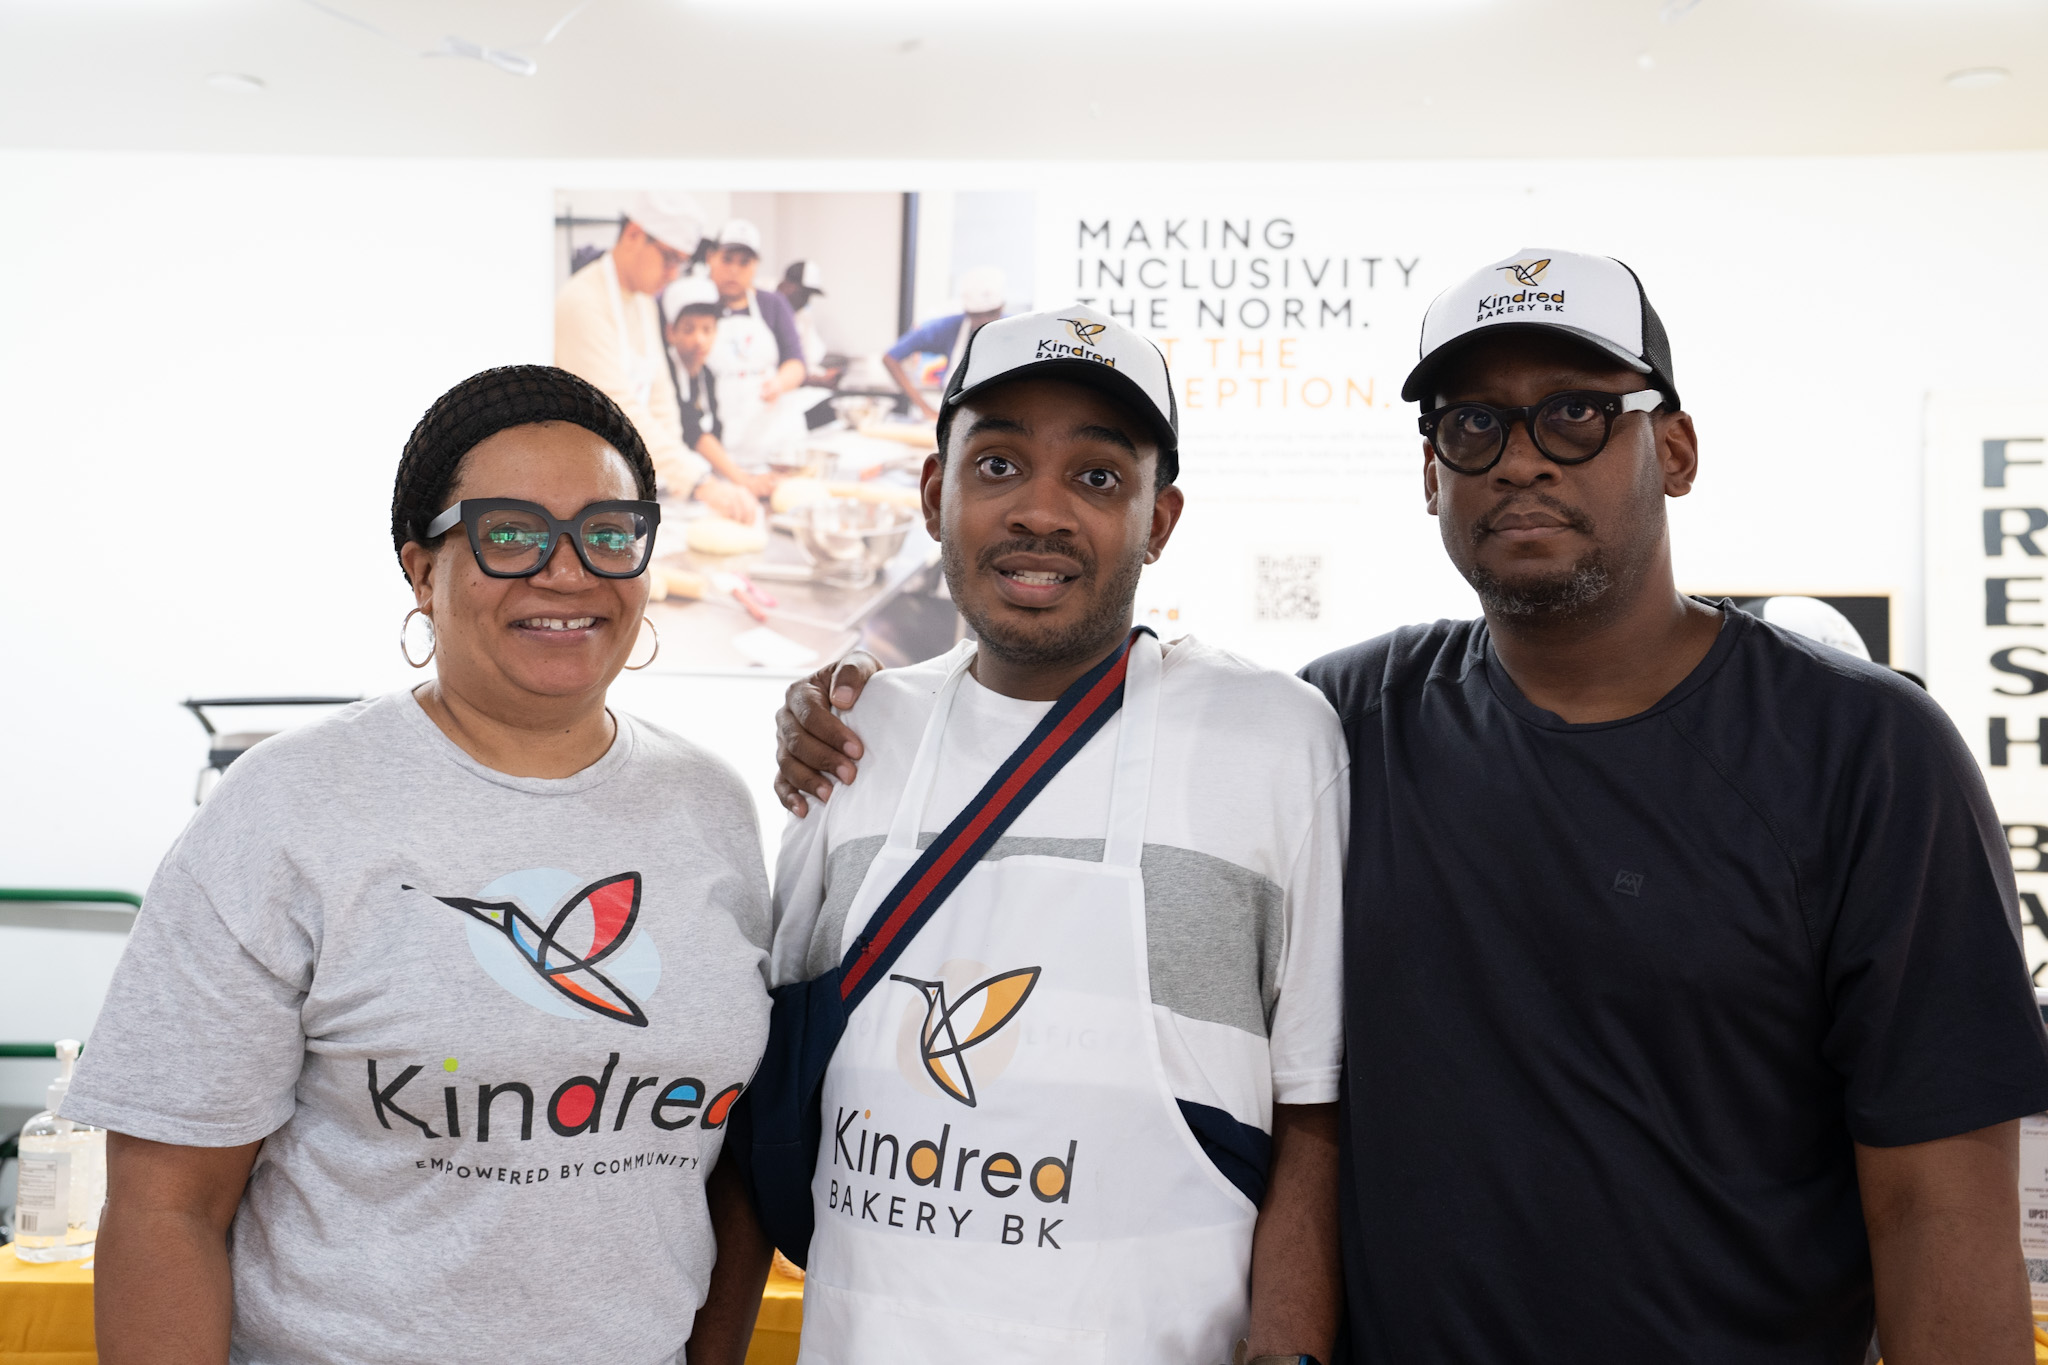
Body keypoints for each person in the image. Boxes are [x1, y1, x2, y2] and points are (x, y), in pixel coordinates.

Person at [770, 250, 2048, 1363]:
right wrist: (838, 708)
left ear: (1672, 449)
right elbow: (1090, 717)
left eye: (1574, 415)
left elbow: (1937, 1207)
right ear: (1429, 472)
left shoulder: (1861, 753)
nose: (1520, 459)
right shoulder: (1344, 721)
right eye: (1472, 425)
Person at [67, 366, 777, 1365]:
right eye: (509, 532)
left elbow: (727, 1167)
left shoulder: (711, 806)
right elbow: (164, 1208)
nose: (566, 571)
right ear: (421, 570)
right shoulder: (289, 808)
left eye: (609, 532)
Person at [727, 304, 1345, 1365]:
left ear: (1160, 520)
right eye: (999, 465)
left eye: (1097, 477)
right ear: (935, 493)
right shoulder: (856, 736)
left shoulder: (1270, 740)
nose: (1041, 511)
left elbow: (1314, 1112)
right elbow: (764, 1090)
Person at [554, 192, 758, 524]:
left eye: (681, 262)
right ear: (635, 234)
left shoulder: (643, 302)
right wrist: (696, 481)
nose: (673, 274)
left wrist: (675, 483)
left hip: (625, 479)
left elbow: (661, 401)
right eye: (669, 259)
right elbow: (615, 408)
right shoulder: (583, 301)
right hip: (582, 488)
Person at [665, 277, 775, 504]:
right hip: (667, 479)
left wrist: (737, 475)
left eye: (707, 329)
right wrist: (743, 480)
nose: (699, 339)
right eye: (688, 329)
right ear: (671, 332)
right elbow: (692, 431)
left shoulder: (707, 374)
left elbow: (714, 432)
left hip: (698, 479)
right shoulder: (665, 373)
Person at [703, 219, 808, 453]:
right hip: (716, 436)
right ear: (711, 257)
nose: (734, 270)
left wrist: (779, 383)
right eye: (727, 259)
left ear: (756, 265)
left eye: (745, 262)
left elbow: (796, 362)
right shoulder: (698, 304)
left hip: (773, 434)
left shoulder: (773, 304)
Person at [882, 266, 1007, 420]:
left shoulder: (1017, 331)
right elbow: (890, 358)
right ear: (967, 312)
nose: (984, 321)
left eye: (991, 313)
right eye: (976, 315)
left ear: (1002, 307)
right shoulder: (946, 328)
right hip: (956, 416)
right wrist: (925, 408)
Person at [776, 259, 838, 383]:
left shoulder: (802, 316)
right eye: (804, 294)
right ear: (786, 286)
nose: (806, 301)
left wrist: (823, 375)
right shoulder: (765, 310)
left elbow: (809, 358)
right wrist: (811, 380)